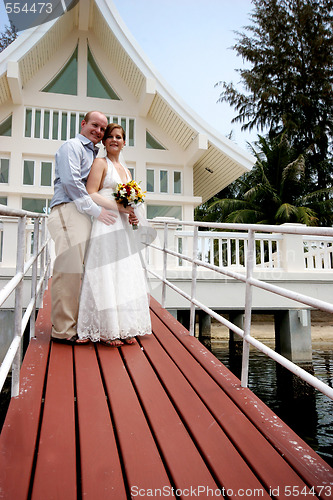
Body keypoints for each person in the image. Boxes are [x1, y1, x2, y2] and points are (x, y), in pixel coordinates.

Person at [76, 123, 152, 346]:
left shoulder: (126, 170)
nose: (114, 140)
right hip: (107, 223)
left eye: (118, 137)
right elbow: (90, 193)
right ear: (104, 141)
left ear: (124, 142)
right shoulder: (100, 164)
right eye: (110, 137)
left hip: (123, 227)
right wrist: (118, 207)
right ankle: (108, 330)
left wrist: (133, 214)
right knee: (107, 272)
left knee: (123, 274)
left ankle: (125, 327)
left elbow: (129, 201)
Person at [48, 111, 118, 345]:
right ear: (83, 124)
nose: (98, 131)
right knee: (68, 272)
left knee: (80, 271)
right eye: (94, 125)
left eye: (102, 128)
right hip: (69, 210)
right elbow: (71, 183)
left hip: (82, 215)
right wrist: (98, 211)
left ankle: (78, 322)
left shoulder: (94, 154)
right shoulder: (73, 146)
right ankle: (63, 330)